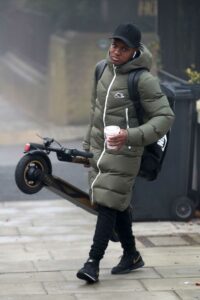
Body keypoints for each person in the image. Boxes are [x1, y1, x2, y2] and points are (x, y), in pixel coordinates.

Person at [76, 23, 175, 283]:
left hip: (127, 151)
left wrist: (129, 136)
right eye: (113, 46)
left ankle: (92, 263)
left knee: (108, 203)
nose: (116, 52)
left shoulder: (143, 80)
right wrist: (87, 148)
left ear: (134, 51)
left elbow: (165, 117)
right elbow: (95, 112)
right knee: (115, 203)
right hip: (101, 148)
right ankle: (131, 254)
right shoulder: (101, 70)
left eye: (123, 48)